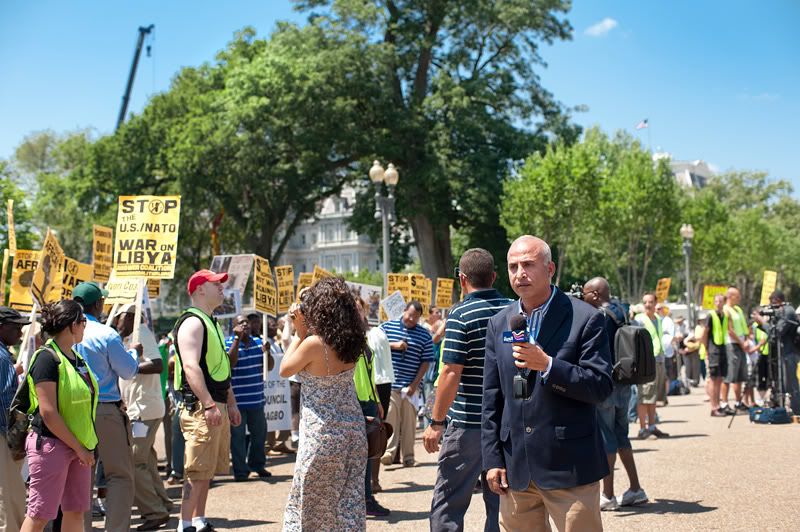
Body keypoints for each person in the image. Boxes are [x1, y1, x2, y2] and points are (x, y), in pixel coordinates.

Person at [482, 236, 613, 532]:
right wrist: (492, 459)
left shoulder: (586, 319)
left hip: (569, 468)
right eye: (513, 266)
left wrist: (549, 366)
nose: (520, 273)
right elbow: (492, 397)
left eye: (528, 264)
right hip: (516, 470)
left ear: (550, 268)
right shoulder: (499, 323)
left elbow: (600, 386)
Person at [423, 248, 510, 532]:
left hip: (468, 424)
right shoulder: (513, 309)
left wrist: (436, 422)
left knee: (449, 502)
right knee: (501, 502)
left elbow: (450, 372)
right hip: (505, 423)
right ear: (494, 276)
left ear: (462, 279)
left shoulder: (460, 314)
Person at [280, 277, 367, 530]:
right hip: (353, 431)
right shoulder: (353, 340)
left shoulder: (314, 343)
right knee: (348, 503)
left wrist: (300, 332)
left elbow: (285, 369)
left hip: (323, 432)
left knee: (313, 506)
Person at [20, 300, 97, 532]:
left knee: (75, 511)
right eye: (83, 322)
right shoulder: (46, 358)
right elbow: (48, 412)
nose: (85, 326)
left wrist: (83, 447)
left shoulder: (77, 358)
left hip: (78, 445)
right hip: (52, 445)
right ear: (72, 326)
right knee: (40, 514)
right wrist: (80, 448)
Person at [173, 270, 242, 532]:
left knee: (206, 470)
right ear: (200, 288)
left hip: (214, 404)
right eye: (217, 284)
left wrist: (230, 403)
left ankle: (198, 520)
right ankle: (184, 523)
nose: (222, 288)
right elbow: (191, 367)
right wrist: (210, 404)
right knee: (196, 469)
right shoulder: (193, 322)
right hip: (202, 407)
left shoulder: (208, 321)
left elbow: (219, 368)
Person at [72, 281, 142, 531]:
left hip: (74, 414)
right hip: (105, 410)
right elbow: (128, 371)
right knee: (120, 476)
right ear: (99, 304)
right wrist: (133, 353)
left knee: (81, 478)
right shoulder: (105, 333)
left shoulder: (64, 333)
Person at [582, 278, 648, 511]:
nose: (583, 297)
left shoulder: (599, 316)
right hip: (624, 383)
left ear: (597, 294)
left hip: (606, 385)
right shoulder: (623, 310)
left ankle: (607, 495)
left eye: (586, 293)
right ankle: (636, 489)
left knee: (607, 438)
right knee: (622, 437)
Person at [113, 304, 172, 531]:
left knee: (134, 462)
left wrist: (131, 366)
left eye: (119, 318)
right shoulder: (128, 338)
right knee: (145, 460)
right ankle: (163, 504)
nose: (117, 322)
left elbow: (157, 364)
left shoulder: (142, 333)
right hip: (139, 410)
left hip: (143, 411)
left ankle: (154, 512)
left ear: (128, 318)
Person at [380, 301, 434, 468]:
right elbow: (375, 346)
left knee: (409, 424)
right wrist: (393, 346)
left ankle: (409, 457)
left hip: (411, 387)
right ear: (403, 311)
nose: (411, 319)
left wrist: (414, 384)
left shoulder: (424, 335)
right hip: (390, 384)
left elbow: (426, 362)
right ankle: (389, 453)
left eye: (415, 318)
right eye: (409, 315)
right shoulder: (387, 327)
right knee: (390, 419)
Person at [353, 298, 391, 518]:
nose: (358, 312)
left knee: (369, 453)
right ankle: (361, 500)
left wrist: (376, 399)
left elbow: (369, 372)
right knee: (358, 455)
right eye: (354, 308)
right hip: (353, 401)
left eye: (360, 308)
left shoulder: (363, 337)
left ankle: (366, 498)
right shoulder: (345, 338)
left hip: (367, 400)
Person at [226, 314, 271, 481]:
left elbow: (269, 366)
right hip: (236, 402)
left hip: (256, 399)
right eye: (240, 322)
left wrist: (268, 353)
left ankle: (257, 465)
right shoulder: (228, 343)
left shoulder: (259, 343)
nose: (245, 324)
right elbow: (230, 363)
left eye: (246, 322)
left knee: (259, 435)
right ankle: (240, 470)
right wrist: (237, 340)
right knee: (237, 438)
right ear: (234, 327)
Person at [0, 307, 29, 532]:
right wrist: (15, 437)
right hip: (3, 435)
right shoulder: (2, 359)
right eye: (16, 327)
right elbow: (7, 403)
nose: (21, 333)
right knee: (8, 493)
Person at [752, 290, 799, 412]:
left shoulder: (787, 311)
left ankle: (797, 409)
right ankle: (783, 406)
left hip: (790, 352)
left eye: (772, 303)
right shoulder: (782, 311)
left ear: (777, 300)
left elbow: (776, 332)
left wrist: (762, 322)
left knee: (791, 382)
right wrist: (763, 323)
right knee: (783, 382)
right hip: (782, 353)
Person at [634, 293, 670, 439]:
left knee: (654, 396)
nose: (648, 304)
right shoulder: (638, 320)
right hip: (646, 362)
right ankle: (643, 429)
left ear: (656, 303)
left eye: (650, 302)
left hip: (659, 359)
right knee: (644, 395)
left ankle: (652, 426)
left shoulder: (658, 320)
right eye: (645, 302)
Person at [366, 313, 393, 494]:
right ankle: (373, 481)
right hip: (380, 385)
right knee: (376, 434)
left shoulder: (373, 334)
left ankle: (373, 482)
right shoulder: (379, 332)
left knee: (375, 435)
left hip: (376, 387)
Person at [701, 294, 729, 416]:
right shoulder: (711, 316)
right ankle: (714, 407)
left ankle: (718, 405)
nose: (718, 303)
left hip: (723, 349)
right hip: (713, 350)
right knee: (713, 380)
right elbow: (704, 333)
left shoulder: (724, 315)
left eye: (720, 301)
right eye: (716, 301)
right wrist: (706, 348)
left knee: (719, 379)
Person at [723, 287, 749, 411]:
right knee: (730, 375)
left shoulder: (737, 309)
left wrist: (747, 339)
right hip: (732, 344)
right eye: (737, 296)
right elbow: (729, 329)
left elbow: (743, 326)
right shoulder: (726, 309)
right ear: (730, 296)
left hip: (741, 344)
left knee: (739, 376)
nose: (739, 298)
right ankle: (724, 402)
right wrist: (741, 342)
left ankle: (738, 402)